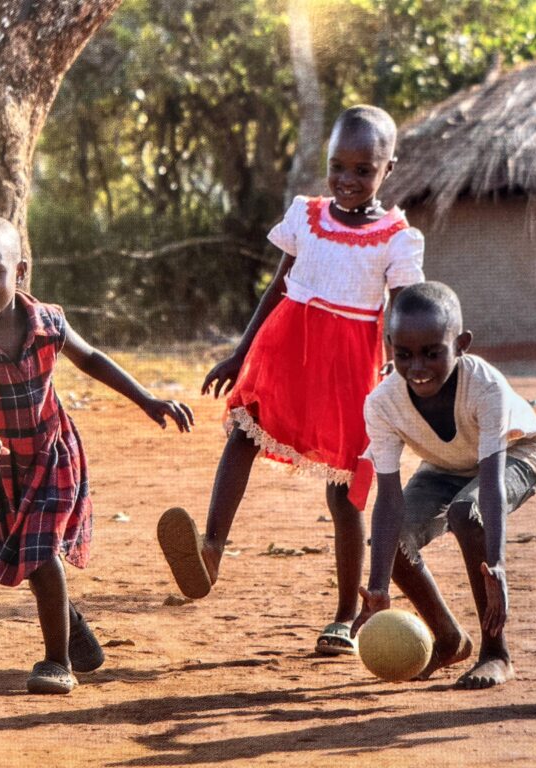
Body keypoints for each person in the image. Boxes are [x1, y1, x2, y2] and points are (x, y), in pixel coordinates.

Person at [156, 105, 424, 656]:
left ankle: (346, 616)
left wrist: (399, 368)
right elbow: (277, 288)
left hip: (348, 371)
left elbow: (399, 311)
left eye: (363, 169)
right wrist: (239, 353)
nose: (347, 180)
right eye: (337, 166)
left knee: (344, 493)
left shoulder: (397, 237)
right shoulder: (307, 216)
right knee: (241, 434)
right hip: (286, 350)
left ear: (387, 169)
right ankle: (210, 550)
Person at [0, 215, 194, 694]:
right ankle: (73, 623)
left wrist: (148, 399)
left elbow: (93, 360)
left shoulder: (48, 323)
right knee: (24, 559)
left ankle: (56, 662)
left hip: (50, 458)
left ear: (20, 271)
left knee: (40, 555)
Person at [353, 282, 536, 688]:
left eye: (433, 353)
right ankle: (449, 640)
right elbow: (389, 499)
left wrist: (496, 565)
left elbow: (491, 484)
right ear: (390, 345)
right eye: (404, 355)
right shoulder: (382, 403)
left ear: (461, 344)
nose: (418, 368)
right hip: (446, 465)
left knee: (470, 514)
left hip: (518, 452)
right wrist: (378, 587)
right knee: (388, 540)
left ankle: (496, 653)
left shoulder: (485, 385)